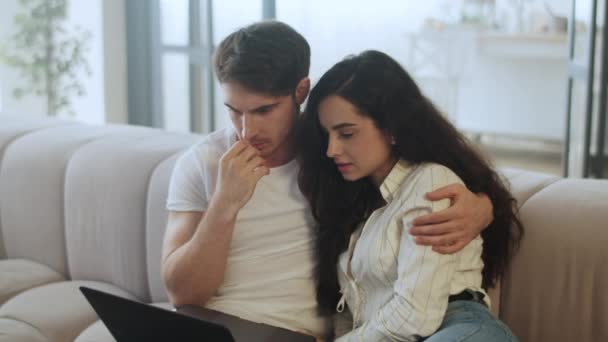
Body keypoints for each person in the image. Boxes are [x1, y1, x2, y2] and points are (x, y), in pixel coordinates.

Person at [160, 21, 495, 339]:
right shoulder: (201, 163)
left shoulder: (336, 157)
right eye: (234, 110)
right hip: (212, 327)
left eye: (264, 111)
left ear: (301, 90)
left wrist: (484, 207)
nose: (246, 131)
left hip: (293, 333)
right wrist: (224, 204)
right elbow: (181, 294)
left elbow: (423, 180)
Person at [297, 50, 524, 341]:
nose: (331, 150)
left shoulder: (432, 182)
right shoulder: (355, 206)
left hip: (458, 328)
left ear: (391, 128)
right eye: (326, 135)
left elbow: (417, 314)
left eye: (347, 133)